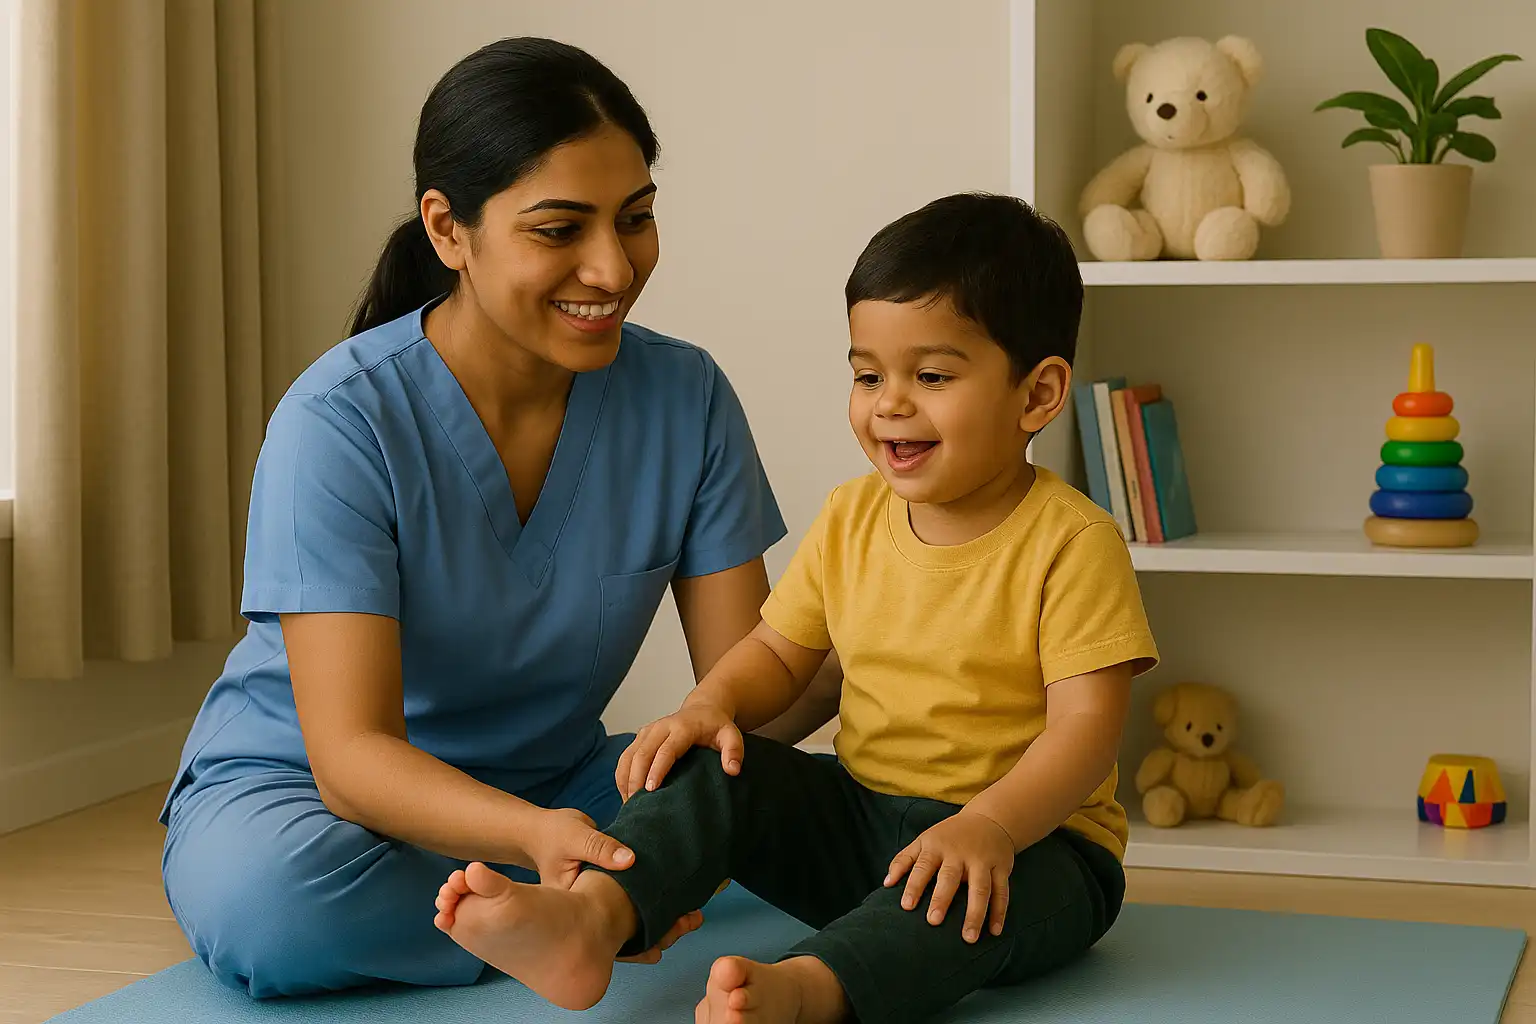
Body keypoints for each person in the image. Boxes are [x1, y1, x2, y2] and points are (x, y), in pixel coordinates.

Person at [157, 36, 839, 999]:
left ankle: (564, 918)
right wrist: (534, 839)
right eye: (561, 230)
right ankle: (588, 912)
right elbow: (351, 761)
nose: (612, 267)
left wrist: (888, 644)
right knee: (272, 905)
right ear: (448, 229)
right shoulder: (339, 422)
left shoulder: (686, 396)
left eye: (635, 219)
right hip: (312, 801)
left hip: (561, 788)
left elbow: (743, 700)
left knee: (747, 787)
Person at [429, 192, 1161, 1024]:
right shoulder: (853, 515)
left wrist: (989, 826)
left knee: (957, 899)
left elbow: (1083, 731)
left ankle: (816, 990)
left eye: (931, 376)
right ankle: (593, 920)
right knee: (718, 766)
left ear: (1037, 395)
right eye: (866, 375)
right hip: (866, 818)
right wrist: (709, 706)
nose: (889, 403)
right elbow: (778, 655)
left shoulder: (1073, 540)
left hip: (1032, 850)